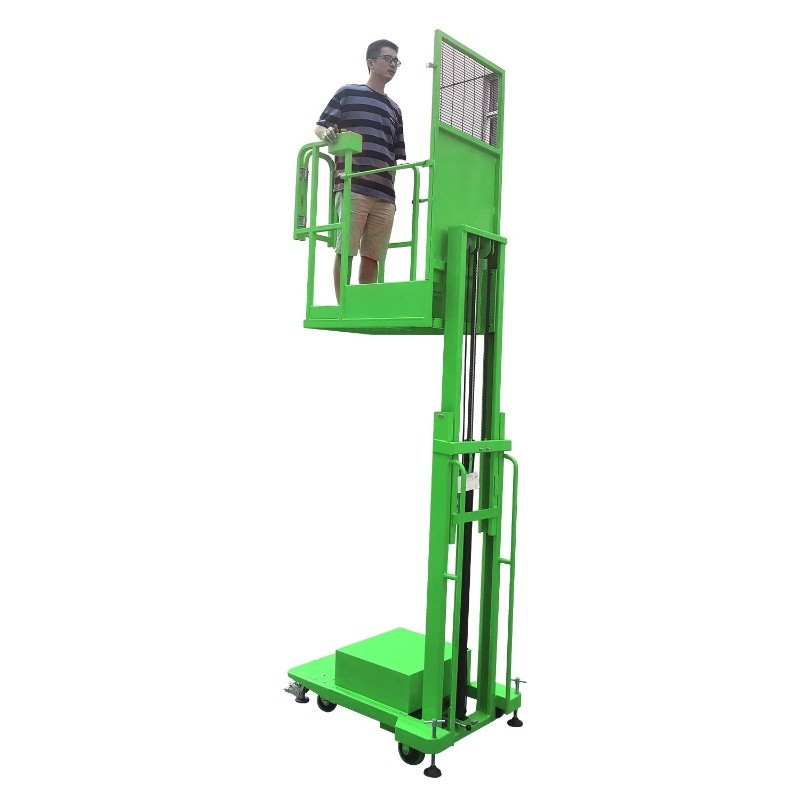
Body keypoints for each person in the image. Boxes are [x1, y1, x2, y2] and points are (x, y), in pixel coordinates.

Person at [314, 39, 406, 303]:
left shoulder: (395, 109)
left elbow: (396, 155)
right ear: (371, 62)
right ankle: (344, 307)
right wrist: (327, 133)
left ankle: (363, 307)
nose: (393, 65)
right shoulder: (348, 93)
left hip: (384, 193)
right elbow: (320, 126)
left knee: (373, 255)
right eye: (388, 59)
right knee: (346, 249)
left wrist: (393, 196)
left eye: (396, 61)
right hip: (353, 184)